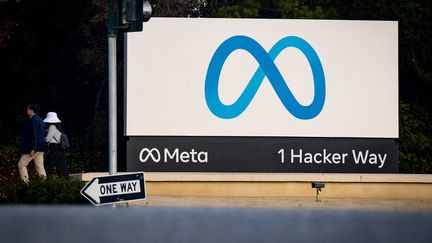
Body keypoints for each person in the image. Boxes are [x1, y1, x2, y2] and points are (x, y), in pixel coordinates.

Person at [17, 104, 47, 182]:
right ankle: (45, 185)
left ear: (31, 110)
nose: (27, 111)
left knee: (21, 164)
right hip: (41, 147)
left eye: (27, 109)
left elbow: (34, 135)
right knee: (40, 167)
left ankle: (25, 184)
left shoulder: (34, 120)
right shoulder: (40, 120)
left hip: (34, 147)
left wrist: (33, 148)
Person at [44, 112, 69, 178]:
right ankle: (66, 183)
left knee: (47, 167)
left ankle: (47, 182)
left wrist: (39, 139)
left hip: (54, 149)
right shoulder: (59, 128)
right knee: (62, 169)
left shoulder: (52, 127)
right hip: (60, 150)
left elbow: (47, 139)